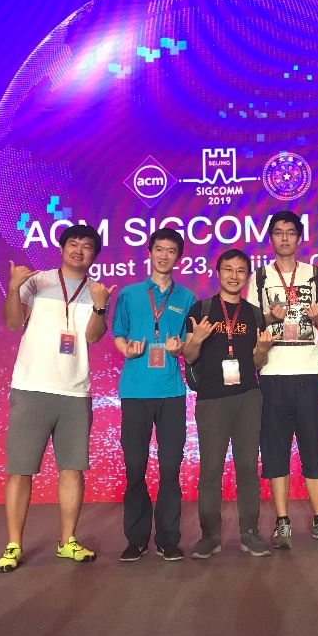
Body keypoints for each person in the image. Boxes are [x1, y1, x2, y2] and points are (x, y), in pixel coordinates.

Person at [0, 224, 113, 572]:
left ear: (94, 254)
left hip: (75, 392)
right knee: (20, 470)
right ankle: (13, 545)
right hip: (31, 387)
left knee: (72, 469)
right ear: (62, 248)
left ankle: (68, 541)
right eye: (73, 243)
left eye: (87, 246)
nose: (79, 250)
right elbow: (12, 323)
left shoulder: (96, 290)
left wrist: (101, 308)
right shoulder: (37, 282)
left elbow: (93, 337)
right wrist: (13, 288)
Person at [246, 210, 318, 547]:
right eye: (278, 232)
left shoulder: (314, 274)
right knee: (275, 449)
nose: (285, 237)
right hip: (272, 375)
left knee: (314, 447)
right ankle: (282, 522)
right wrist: (267, 317)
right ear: (271, 238)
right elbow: (251, 325)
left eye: (290, 232)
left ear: (299, 238)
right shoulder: (260, 277)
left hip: (310, 374)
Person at [182, 249, 276, 559]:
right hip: (212, 399)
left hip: (248, 396)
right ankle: (210, 535)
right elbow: (189, 357)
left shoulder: (254, 314)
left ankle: (250, 532)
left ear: (247, 276)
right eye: (228, 269)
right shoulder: (202, 308)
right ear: (218, 272)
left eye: (240, 270)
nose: (234, 276)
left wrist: (262, 349)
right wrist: (196, 338)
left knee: (248, 467)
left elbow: (257, 363)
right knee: (210, 469)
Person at [112, 228, 196, 562]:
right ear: (149, 252)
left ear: (179, 257)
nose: (164, 256)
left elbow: (189, 342)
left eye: (171, 251)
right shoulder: (130, 294)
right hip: (135, 391)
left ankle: (168, 538)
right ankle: (136, 538)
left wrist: (180, 348)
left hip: (171, 393)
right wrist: (127, 350)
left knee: (170, 469)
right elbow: (119, 334)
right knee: (135, 466)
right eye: (159, 249)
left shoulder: (186, 297)